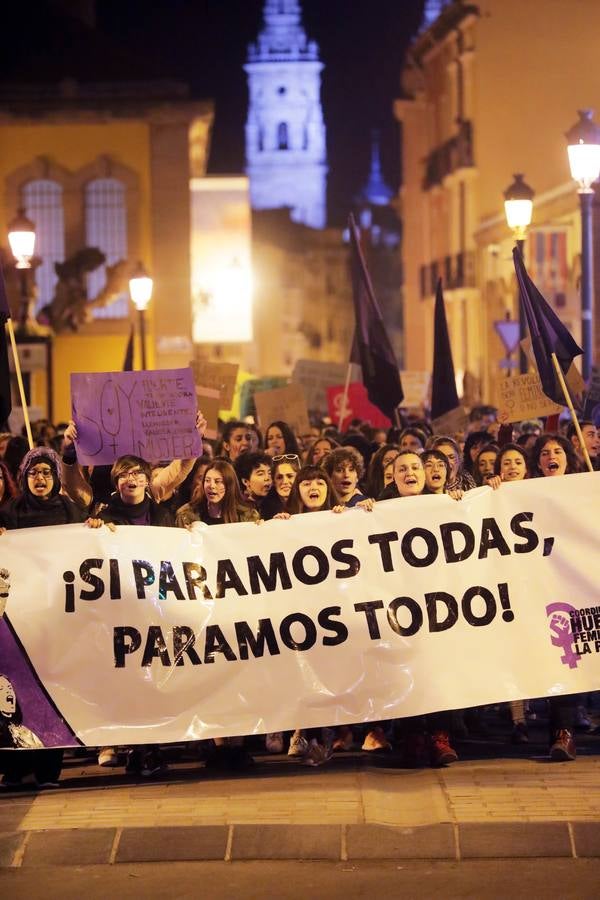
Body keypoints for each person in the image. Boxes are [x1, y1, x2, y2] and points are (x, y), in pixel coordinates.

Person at [0, 448, 88, 789]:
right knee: (15, 695)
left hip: (56, 622)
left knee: (52, 691)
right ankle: (15, 769)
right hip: (19, 623)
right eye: (34, 473)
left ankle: (48, 770)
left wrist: (92, 528)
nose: (40, 479)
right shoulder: (8, 513)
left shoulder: (70, 512)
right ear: (24, 478)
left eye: (46, 473)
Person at [530, 433, 583, 760]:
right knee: (555, 659)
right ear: (538, 462)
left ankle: (564, 733)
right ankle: (558, 730)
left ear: (567, 456)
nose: (552, 456)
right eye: (545, 452)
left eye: (557, 450)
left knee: (573, 659)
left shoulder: (584, 488)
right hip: (539, 589)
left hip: (578, 587)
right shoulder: (525, 493)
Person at [175, 459, 259, 528]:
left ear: (229, 485)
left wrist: (261, 529)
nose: (211, 486)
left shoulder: (247, 516)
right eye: (207, 480)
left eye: (217, 481)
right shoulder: (187, 515)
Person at [260, 453, 301, 521]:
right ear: (273, 482)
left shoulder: (307, 505)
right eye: (279, 477)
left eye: (290, 476)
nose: (284, 481)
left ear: (299, 478)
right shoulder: (264, 508)